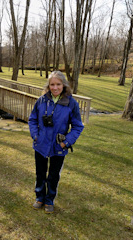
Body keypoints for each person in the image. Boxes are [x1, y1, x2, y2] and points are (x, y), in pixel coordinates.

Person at [28, 71, 84, 213]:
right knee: (40, 173)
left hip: (59, 146)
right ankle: (39, 197)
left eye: (58, 84)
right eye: (52, 84)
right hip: (40, 144)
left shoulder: (71, 103)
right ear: (48, 85)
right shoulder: (41, 100)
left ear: (64, 85)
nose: (55, 88)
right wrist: (35, 136)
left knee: (53, 175)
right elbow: (32, 119)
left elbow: (78, 126)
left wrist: (66, 142)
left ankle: (49, 200)